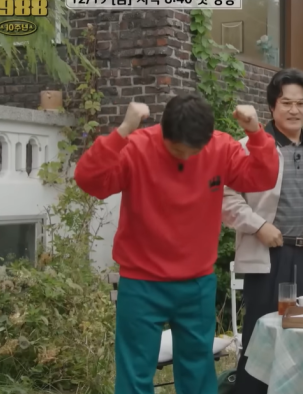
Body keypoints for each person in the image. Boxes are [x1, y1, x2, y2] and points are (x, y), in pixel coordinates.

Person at [73, 94, 280, 394]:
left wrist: (255, 132)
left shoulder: (221, 147)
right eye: (177, 150)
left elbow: (262, 177)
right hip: (141, 281)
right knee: (134, 374)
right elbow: (89, 180)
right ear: (163, 134)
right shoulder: (137, 146)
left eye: (194, 151)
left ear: (207, 138)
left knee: (198, 373)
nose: (185, 157)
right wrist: (123, 130)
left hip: (196, 283)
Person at [222, 68, 303, 394]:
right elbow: (226, 198)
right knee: (261, 338)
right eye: (286, 103)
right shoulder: (247, 147)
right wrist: (258, 226)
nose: (294, 110)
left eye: (301, 103)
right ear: (272, 106)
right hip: (266, 256)